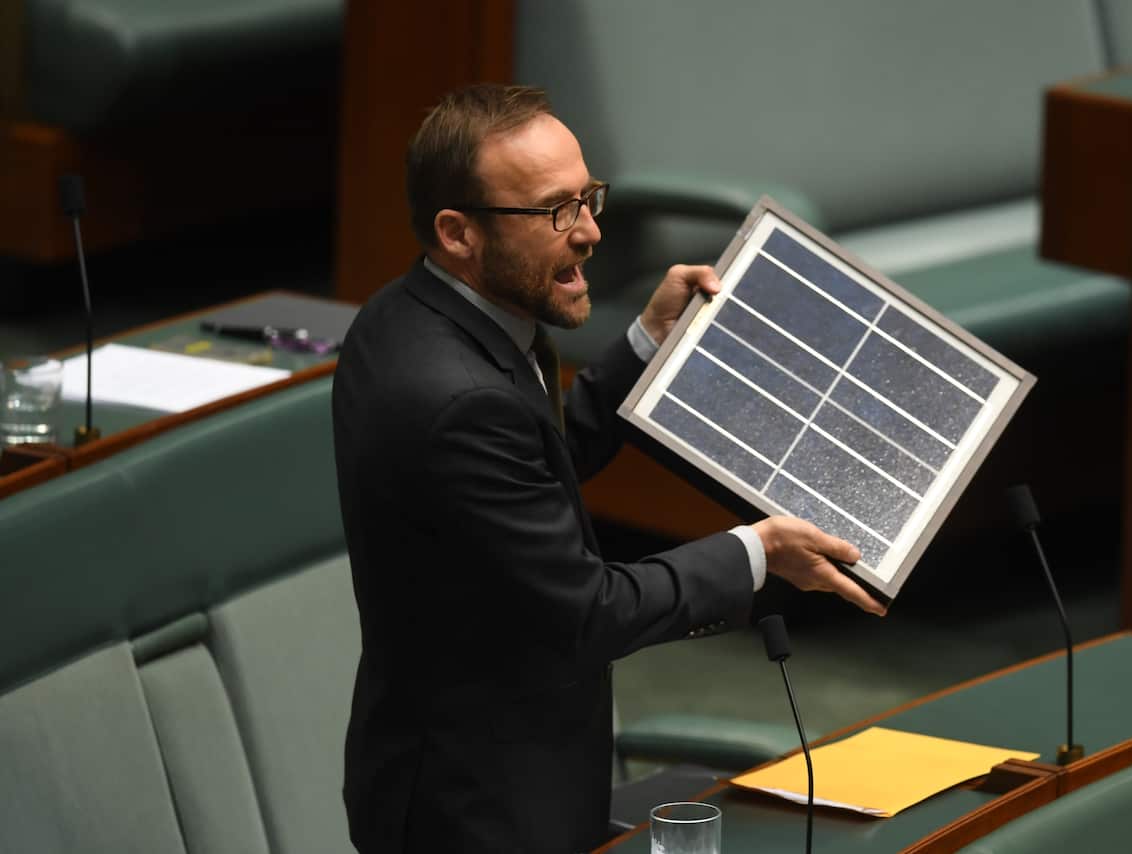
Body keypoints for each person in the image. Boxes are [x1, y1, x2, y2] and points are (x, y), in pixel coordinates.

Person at [332, 83, 885, 853]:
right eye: (556, 211)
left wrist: (648, 342)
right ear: (458, 232)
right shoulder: (451, 393)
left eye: (589, 197)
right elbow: (586, 612)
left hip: (492, 770)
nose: (591, 231)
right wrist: (757, 554)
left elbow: (532, 470)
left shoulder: (416, 312)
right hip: (477, 807)